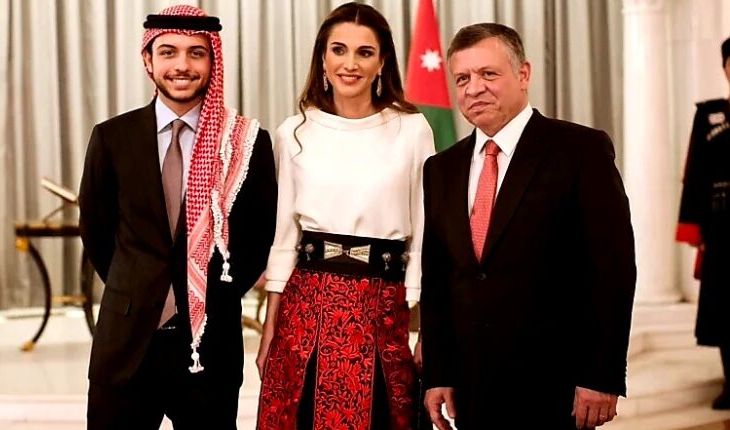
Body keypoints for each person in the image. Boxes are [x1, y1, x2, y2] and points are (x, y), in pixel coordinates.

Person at [420, 23, 637, 429]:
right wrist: (438, 371)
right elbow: (438, 280)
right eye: (462, 78)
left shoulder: (581, 151)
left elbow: (613, 271)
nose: (474, 88)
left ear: (523, 74)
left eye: (488, 74)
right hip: (471, 387)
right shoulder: (440, 169)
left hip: (557, 386)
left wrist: (601, 375)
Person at [78, 5, 277, 429]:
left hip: (209, 350)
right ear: (148, 60)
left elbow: (258, 238)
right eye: (168, 52)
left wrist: (211, 295)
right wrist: (138, 286)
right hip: (125, 344)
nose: (182, 65)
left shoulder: (245, 142)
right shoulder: (112, 138)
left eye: (196, 53)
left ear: (213, 61)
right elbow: (96, 232)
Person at [254, 3, 435, 429]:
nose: (350, 64)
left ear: (382, 62)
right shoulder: (294, 132)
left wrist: (427, 329)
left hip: (382, 307)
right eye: (339, 50)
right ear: (322, 58)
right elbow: (284, 238)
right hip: (305, 308)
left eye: (364, 52)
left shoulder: (412, 129)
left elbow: (427, 234)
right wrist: (270, 327)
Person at [676, 36, 730, 411]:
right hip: (722, 231)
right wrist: (694, 228)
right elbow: (694, 173)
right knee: (726, 311)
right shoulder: (709, 115)